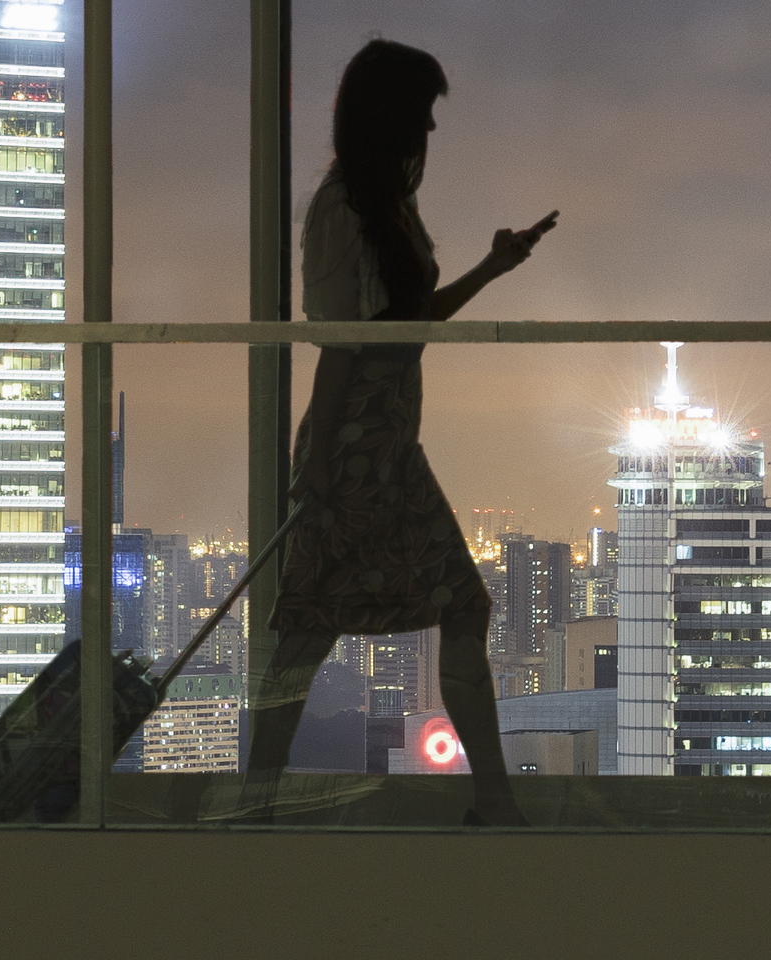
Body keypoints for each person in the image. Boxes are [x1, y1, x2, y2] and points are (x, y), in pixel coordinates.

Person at [243, 39, 555, 827]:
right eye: (422, 112)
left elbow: (405, 328)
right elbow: (342, 349)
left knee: (327, 626)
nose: (430, 129)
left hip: (379, 445)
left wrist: (491, 268)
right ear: (390, 117)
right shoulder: (343, 209)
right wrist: (318, 468)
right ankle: (490, 803)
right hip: (359, 448)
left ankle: (256, 802)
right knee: (328, 626)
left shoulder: (383, 206)